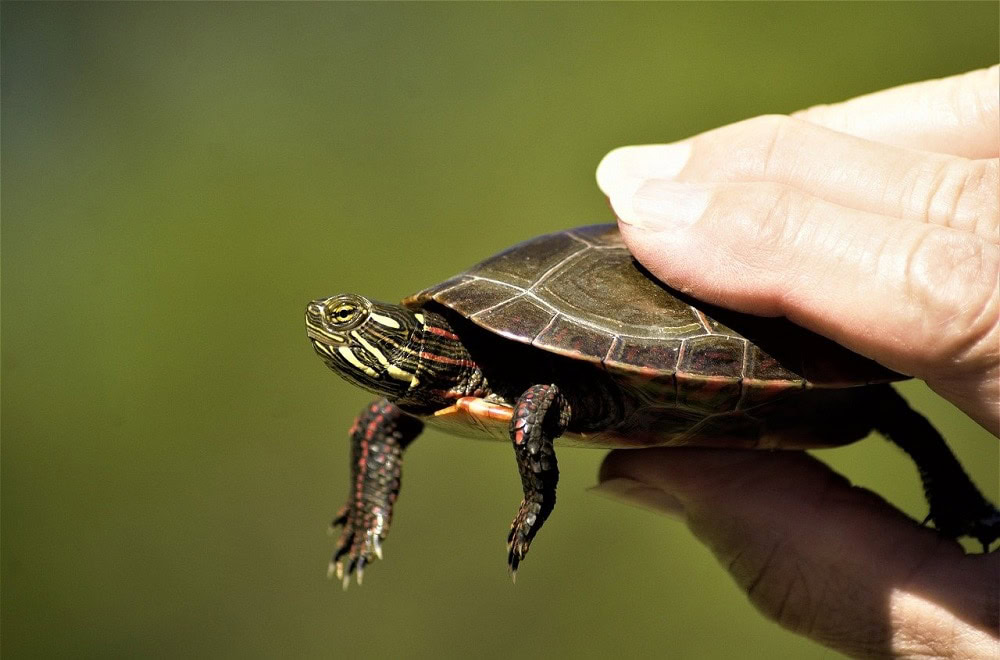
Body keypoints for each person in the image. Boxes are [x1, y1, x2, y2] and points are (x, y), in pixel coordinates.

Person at [592, 66, 999, 659]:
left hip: (759, 362)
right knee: (892, 408)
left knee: (887, 408)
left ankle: (963, 506)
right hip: (698, 381)